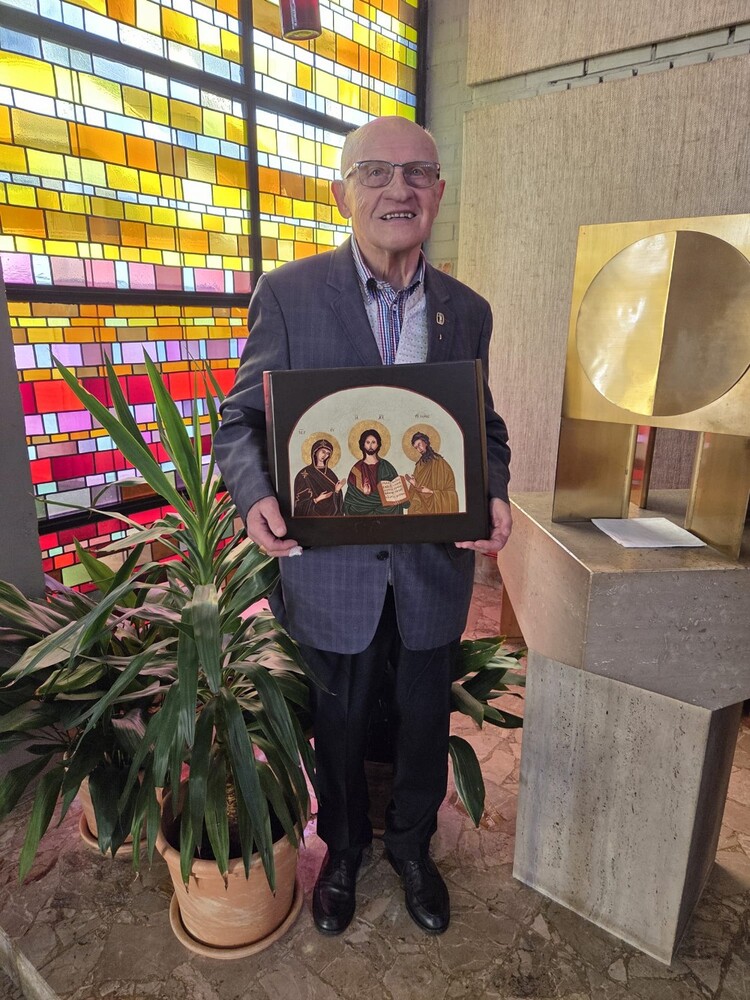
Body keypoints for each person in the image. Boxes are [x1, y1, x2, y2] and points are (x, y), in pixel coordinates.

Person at [214, 116, 511, 938]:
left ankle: (412, 849)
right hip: (330, 571)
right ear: (343, 192)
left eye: (418, 174)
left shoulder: (467, 311)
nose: (398, 189)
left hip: (431, 570)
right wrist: (255, 495)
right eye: (375, 172)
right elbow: (239, 422)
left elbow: (481, 428)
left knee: (422, 721)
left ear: (439, 193)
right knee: (338, 724)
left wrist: (493, 490)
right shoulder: (289, 294)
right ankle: (342, 851)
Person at [343, 428, 408, 516]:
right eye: (367, 442)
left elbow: (396, 490)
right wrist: (364, 493)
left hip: (385, 507)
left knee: (395, 507)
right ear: (363, 444)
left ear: (378, 445)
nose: (370, 446)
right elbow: (351, 496)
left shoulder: (386, 466)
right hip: (363, 506)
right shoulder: (357, 469)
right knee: (354, 509)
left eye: (373, 442)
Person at [405, 431, 458, 515]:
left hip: (435, 505)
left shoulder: (440, 463)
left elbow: (451, 492)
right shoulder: (419, 465)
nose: (419, 449)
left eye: (419, 445)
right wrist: (414, 483)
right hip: (421, 504)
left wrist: (431, 492)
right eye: (416, 448)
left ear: (425, 442)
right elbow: (418, 489)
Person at [293, 438, 345, 517]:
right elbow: (299, 504)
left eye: (328, 453)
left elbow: (337, 501)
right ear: (315, 451)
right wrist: (317, 499)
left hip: (331, 516)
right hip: (313, 518)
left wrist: (337, 490)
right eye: (323, 452)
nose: (325, 455)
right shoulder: (304, 474)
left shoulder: (330, 473)